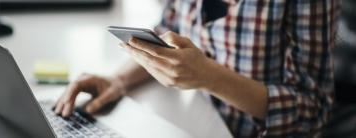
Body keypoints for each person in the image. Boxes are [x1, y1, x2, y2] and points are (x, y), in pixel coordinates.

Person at [54, 0, 338, 137]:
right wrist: (117, 81)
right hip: (195, 126)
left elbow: (314, 110)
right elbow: (168, 32)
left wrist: (210, 77)